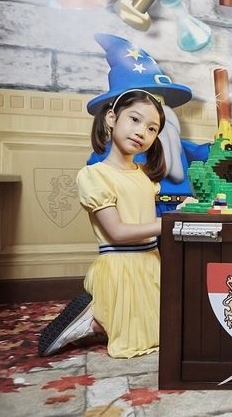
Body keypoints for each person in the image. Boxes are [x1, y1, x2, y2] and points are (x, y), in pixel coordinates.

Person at [38, 33, 193, 358]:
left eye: (152, 129)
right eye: (135, 120)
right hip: (121, 267)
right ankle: (92, 321)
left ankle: (103, 322)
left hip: (150, 263)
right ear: (111, 118)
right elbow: (118, 232)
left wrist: (182, 209)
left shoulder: (143, 176)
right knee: (136, 337)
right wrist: (170, 222)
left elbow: (145, 217)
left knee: (172, 330)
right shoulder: (96, 175)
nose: (142, 132)